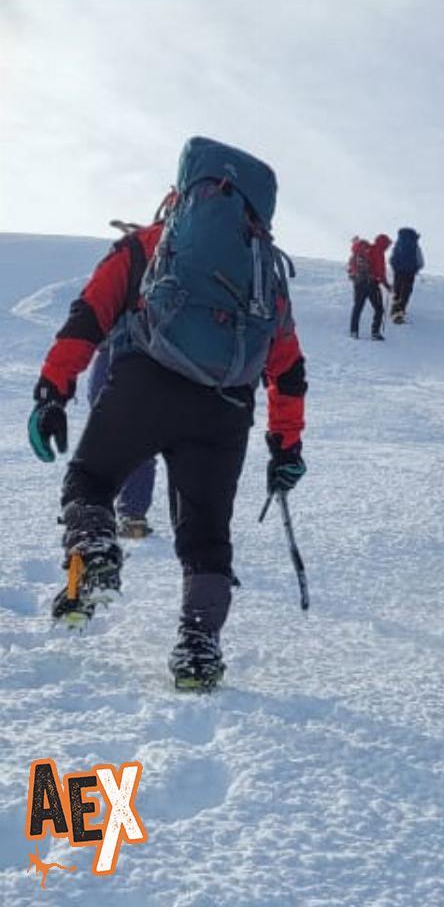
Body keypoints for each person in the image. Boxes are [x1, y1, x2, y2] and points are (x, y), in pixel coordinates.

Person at [27, 137, 308, 692]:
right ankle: (199, 648)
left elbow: (90, 314)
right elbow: (289, 370)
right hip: (225, 412)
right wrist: (286, 448)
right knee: (206, 536)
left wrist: (53, 390)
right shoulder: (265, 278)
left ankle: (93, 555)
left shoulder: (152, 244)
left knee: (92, 479)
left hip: (146, 384)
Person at [87, 344, 159, 539]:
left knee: (142, 436)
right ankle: (96, 508)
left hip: (151, 350)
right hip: (111, 348)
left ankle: (132, 512)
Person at [347, 233, 391, 340]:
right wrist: (387, 285)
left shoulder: (362, 251)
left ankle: (354, 332)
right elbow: (380, 271)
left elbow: (351, 267)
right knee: (379, 309)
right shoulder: (378, 251)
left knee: (358, 307)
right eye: (387, 245)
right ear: (383, 243)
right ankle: (375, 333)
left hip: (358, 282)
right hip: (371, 284)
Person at [389, 227, 424, 323]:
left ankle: (394, 309)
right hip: (410, 272)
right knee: (405, 293)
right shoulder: (415, 246)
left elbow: (392, 258)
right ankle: (399, 314)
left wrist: (395, 267)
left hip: (398, 271)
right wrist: (416, 268)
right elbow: (420, 261)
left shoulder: (398, 244)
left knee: (398, 290)